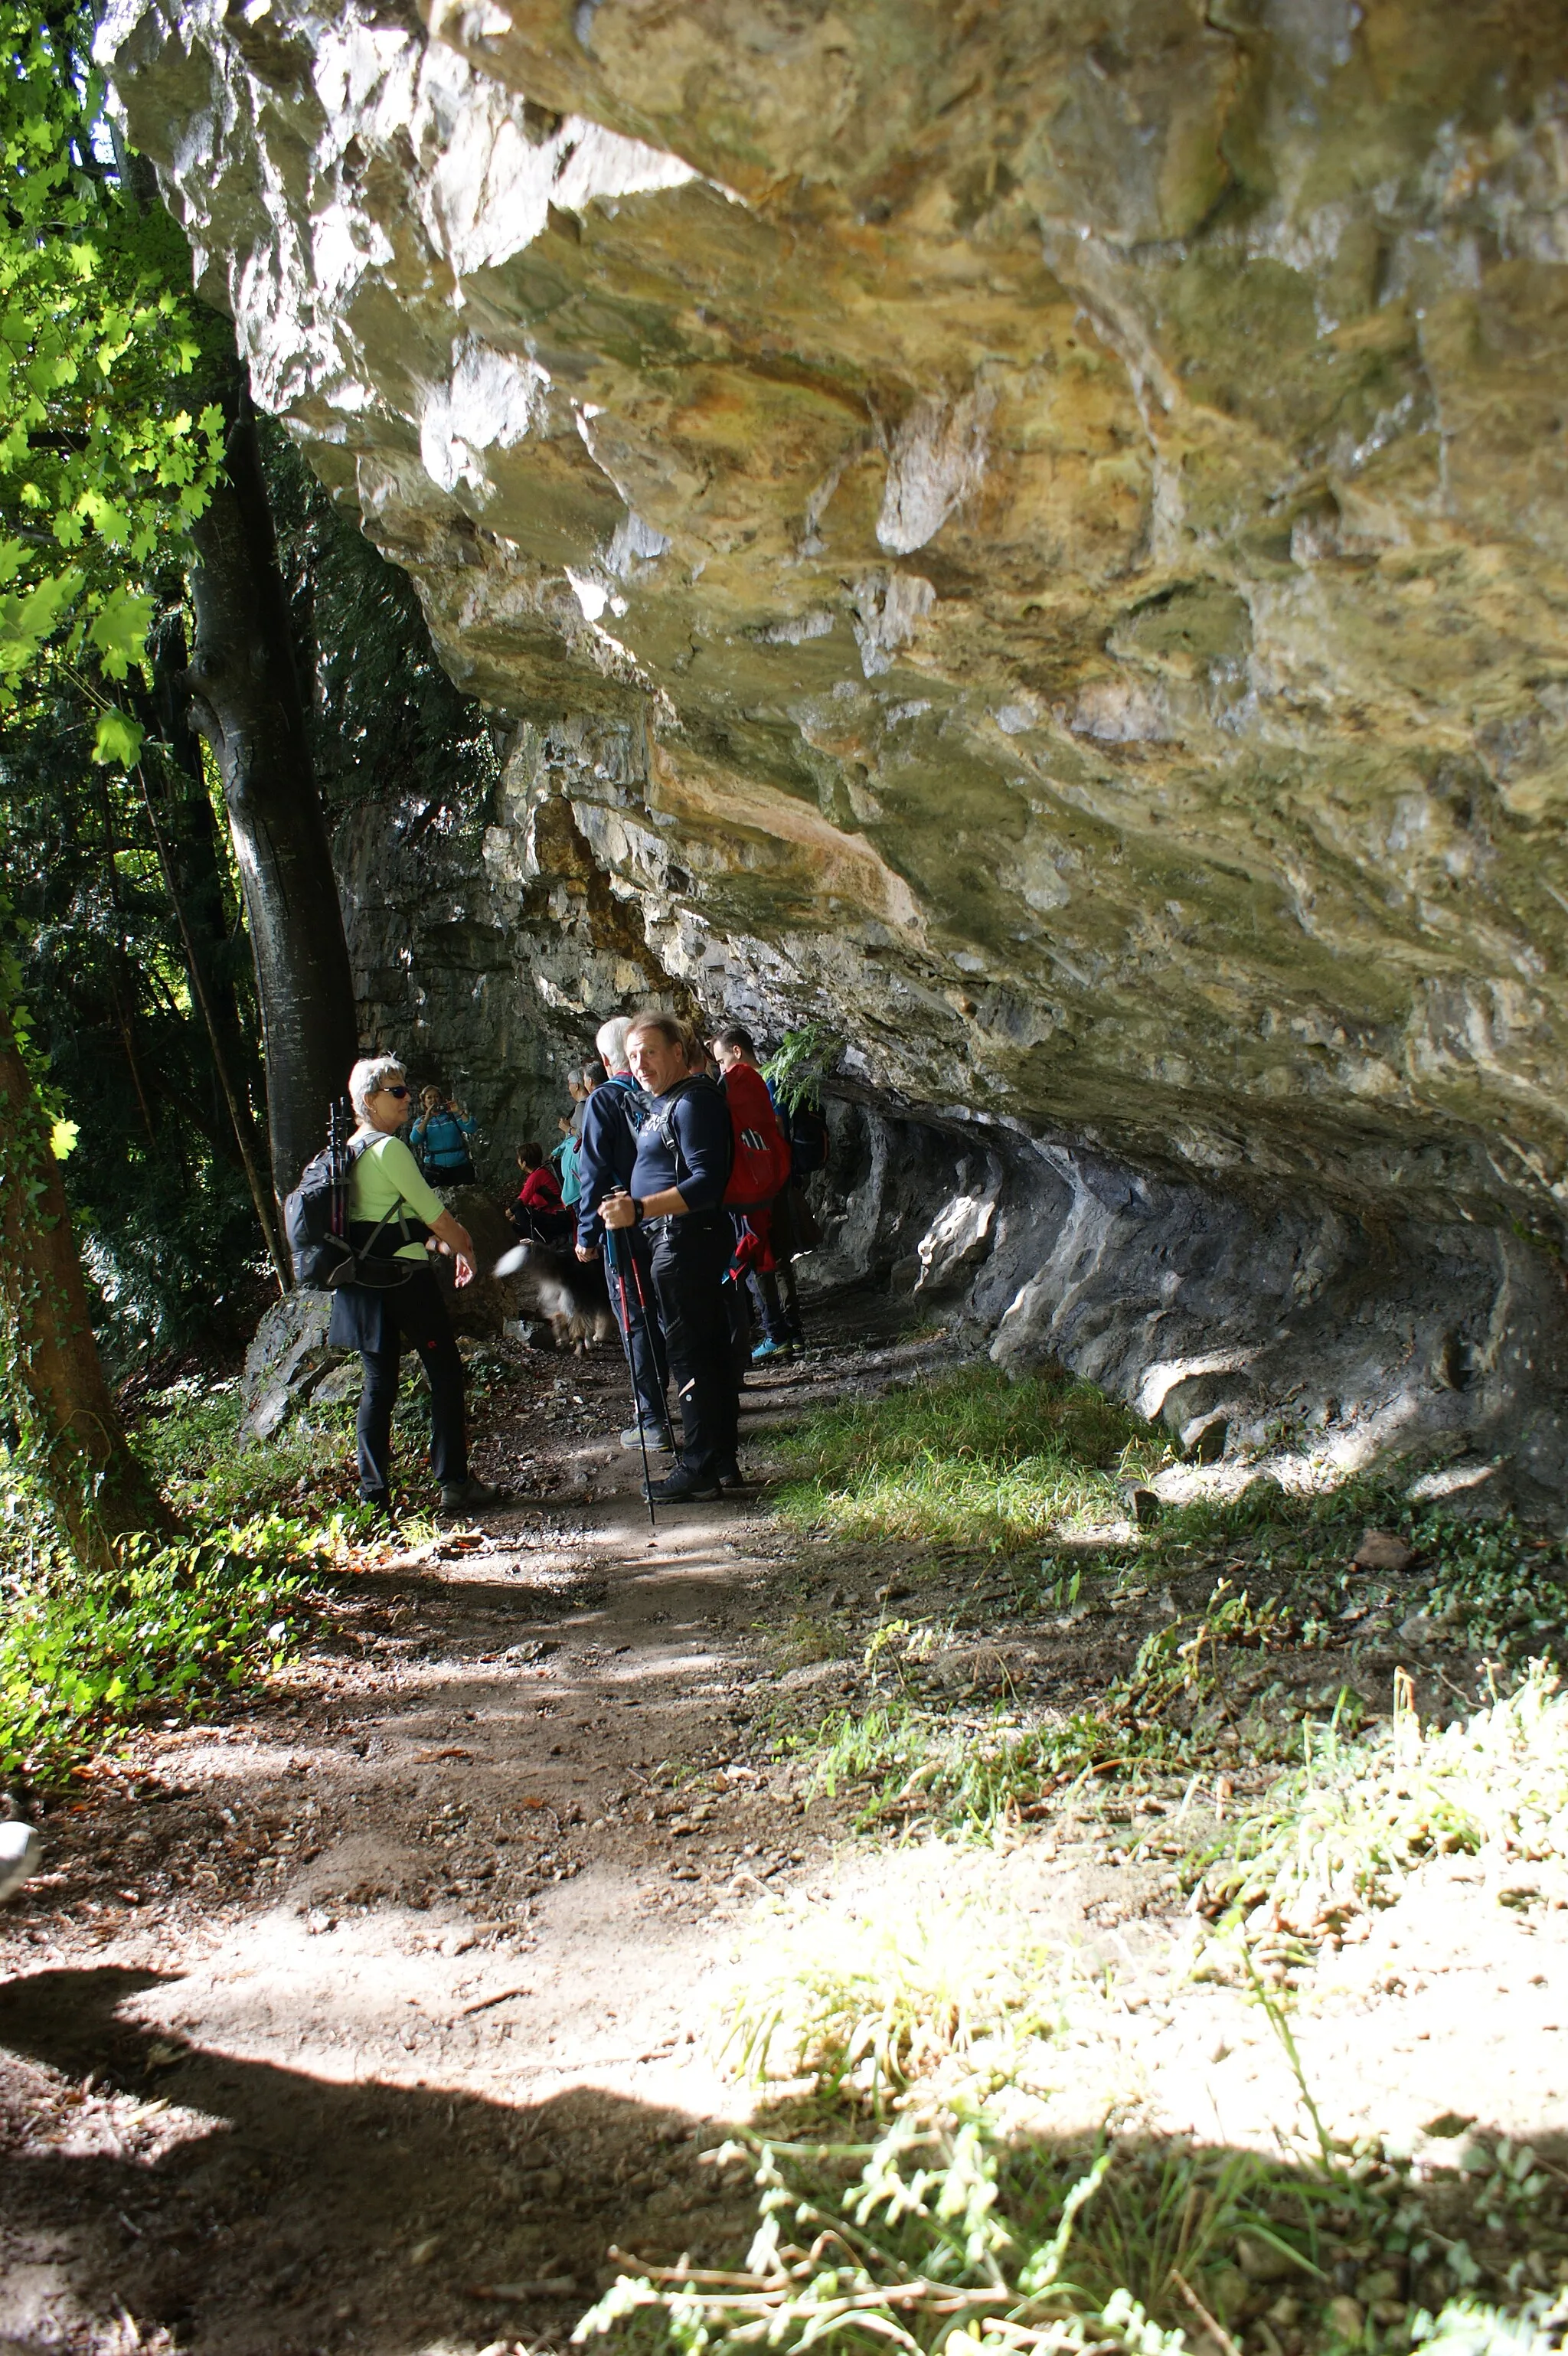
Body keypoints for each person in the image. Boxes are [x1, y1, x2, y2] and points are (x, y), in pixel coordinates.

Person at [328, 1055, 503, 1521]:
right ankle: (454, 1482)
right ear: (369, 1100)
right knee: (444, 1371)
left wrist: (442, 1249)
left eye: (406, 1089)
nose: (407, 1097)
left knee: (378, 1385)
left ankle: (374, 1499)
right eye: (397, 1091)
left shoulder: (348, 1152)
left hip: (363, 1286)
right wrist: (464, 1246)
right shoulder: (390, 1150)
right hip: (405, 1284)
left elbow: (389, 1224)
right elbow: (435, 1214)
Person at [600, 1013, 736, 1502]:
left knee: (688, 1349)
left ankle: (699, 1464)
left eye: (650, 1052)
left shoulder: (694, 1102)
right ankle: (720, 1460)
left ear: (679, 1051)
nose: (640, 1064)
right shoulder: (667, 1103)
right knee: (706, 1344)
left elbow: (706, 1182)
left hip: (683, 1237)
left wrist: (639, 1208)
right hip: (674, 1237)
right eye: (633, 1055)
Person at [576, 1014, 674, 1454]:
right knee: (667, 1312)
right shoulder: (659, 1092)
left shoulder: (603, 1101)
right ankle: (696, 1402)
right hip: (667, 1220)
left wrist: (586, 1233)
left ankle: (652, 1420)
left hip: (624, 1229)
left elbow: (592, 1172)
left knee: (635, 1319)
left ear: (603, 1057)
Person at [711, 1023, 804, 1359]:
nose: (721, 1070)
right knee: (778, 1257)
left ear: (737, 1052)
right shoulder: (769, 1080)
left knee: (769, 1256)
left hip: (768, 1183)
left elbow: (774, 1128)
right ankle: (792, 1331)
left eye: (722, 1062)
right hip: (775, 1180)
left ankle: (785, 1330)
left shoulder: (764, 1082)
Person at [410, 1085, 479, 1186]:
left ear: (441, 1099)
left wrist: (459, 1111)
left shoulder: (452, 1116)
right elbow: (414, 1139)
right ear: (424, 1102)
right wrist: (426, 1120)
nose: (433, 1100)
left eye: (436, 1096)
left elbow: (471, 1128)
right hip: (435, 1170)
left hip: (460, 1167)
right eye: (429, 1097)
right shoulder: (421, 1121)